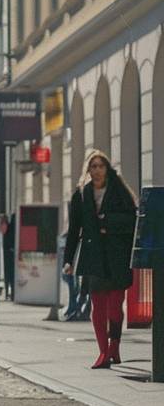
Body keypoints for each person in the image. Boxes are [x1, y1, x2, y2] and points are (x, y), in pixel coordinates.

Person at [63, 149, 137, 369]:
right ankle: (103, 351)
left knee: (115, 305)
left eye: (100, 166)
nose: (97, 170)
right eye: (93, 166)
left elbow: (132, 220)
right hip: (93, 255)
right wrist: (68, 260)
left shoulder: (119, 191)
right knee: (97, 305)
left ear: (107, 168)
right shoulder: (81, 195)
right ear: (88, 170)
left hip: (117, 255)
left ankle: (115, 346)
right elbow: (74, 228)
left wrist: (107, 223)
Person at [0, 213, 15, 301]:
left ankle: (10, 293)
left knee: (9, 275)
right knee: (9, 275)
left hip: (9, 253)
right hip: (8, 253)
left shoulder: (9, 229)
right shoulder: (10, 228)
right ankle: (9, 293)